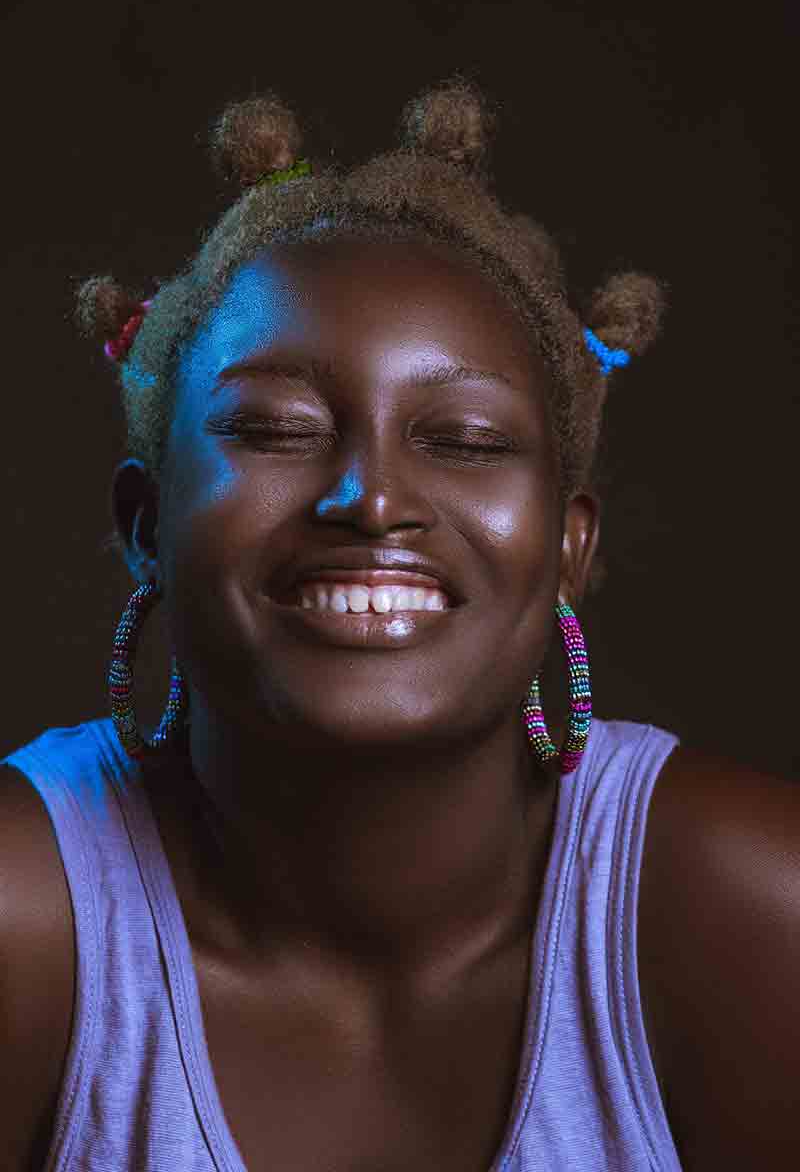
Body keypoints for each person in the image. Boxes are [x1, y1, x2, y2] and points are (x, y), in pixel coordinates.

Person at [1, 75, 797, 1172]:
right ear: (146, 524)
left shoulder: (748, 915)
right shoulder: (23, 920)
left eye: (465, 440)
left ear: (568, 547)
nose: (370, 501)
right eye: (275, 429)